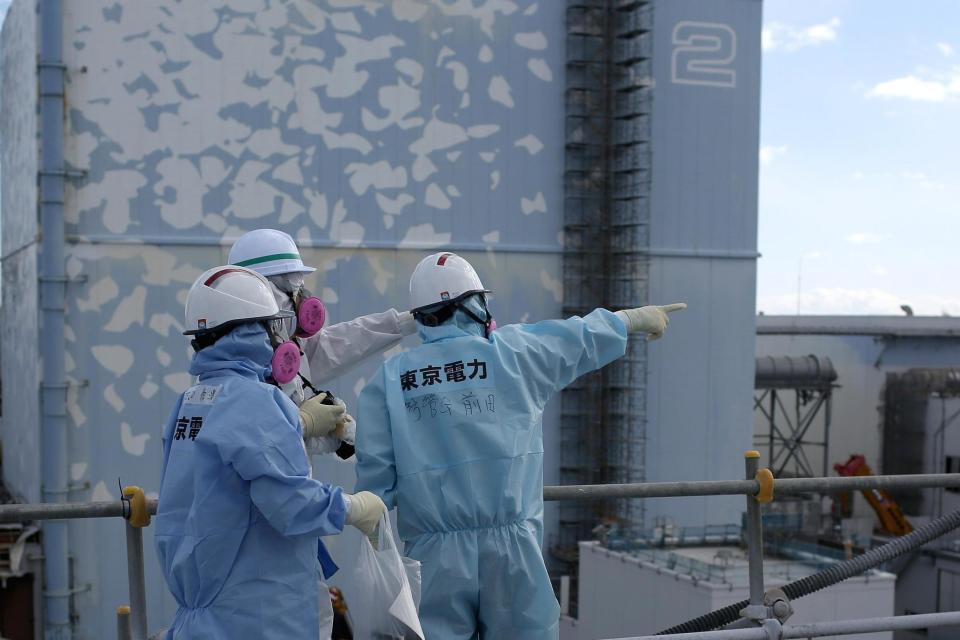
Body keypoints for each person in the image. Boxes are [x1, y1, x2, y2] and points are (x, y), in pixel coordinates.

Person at [355, 252, 686, 639]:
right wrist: (629, 320)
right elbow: (576, 338)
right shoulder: (514, 352)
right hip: (513, 549)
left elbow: (373, 495)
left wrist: (384, 564)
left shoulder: (389, 380)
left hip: (433, 556)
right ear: (471, 305)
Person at [155, 265, 387, 639]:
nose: (278, 338)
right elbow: (290, 503)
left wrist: (295, 423)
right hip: (258, 613)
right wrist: (353, 507)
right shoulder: (255, 400)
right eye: (270, 326)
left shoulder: (190, 401)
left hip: (203, 616)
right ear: (248, 331)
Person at [229, 228, 417, 637]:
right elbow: (258, 447)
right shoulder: (249, 364)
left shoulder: (283, 350)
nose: (301, 296)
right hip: (267, 527)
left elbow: (336, 345)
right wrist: (312, 427)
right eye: (289, 285)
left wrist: (401, 323)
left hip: (292, 519)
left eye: (299, 283)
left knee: (315, 618)